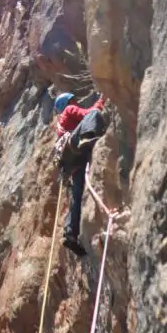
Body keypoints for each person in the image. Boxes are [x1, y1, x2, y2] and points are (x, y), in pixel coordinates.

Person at [54, 91, 108, 256]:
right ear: (68, 102)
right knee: (94, 114)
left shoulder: (62, 124)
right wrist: (103, 98)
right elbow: (87, 113)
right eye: (73, 100)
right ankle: (87, 137)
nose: (76, 102)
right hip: (73, 146)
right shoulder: (69, 110)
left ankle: (71, 234)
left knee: (77, 196)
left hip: (73, 161)